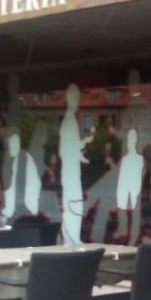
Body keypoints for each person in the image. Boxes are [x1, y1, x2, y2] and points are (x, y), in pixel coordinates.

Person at [59, 84, 92, 244]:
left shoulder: (71, 120)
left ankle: (73, 237)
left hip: (72, 171)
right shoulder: (69, 121)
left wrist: (81, 156)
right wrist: (84, 142)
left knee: (75, 203)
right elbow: (67, 148)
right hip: (70, 172)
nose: (77, 100)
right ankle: (70, 239)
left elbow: (69, 148)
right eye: (74, 97)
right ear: (68, 98)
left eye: (77, 97)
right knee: (73, 203)